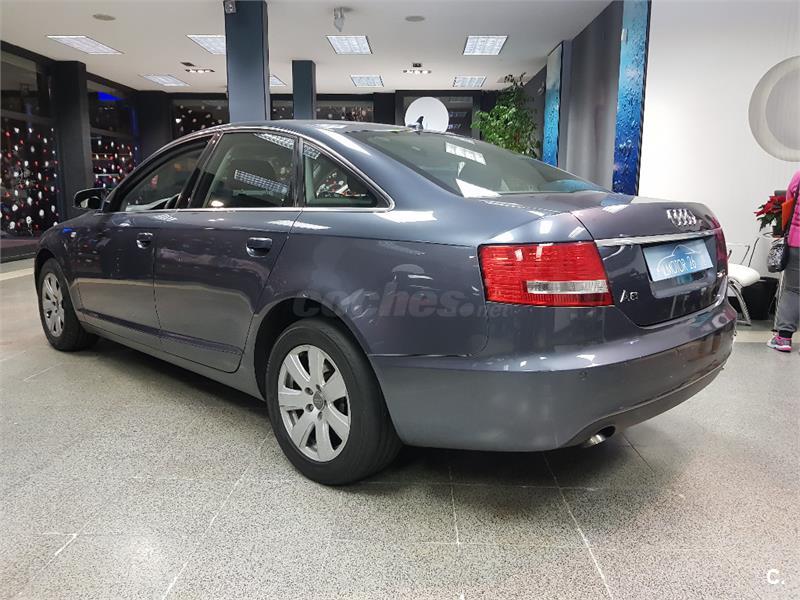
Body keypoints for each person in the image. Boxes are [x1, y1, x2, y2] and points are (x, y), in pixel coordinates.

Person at [768, 170, 800, 352]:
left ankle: (784, 339)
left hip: (797, 241)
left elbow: (789, 201)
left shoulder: (799, 176)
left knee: (793, 290)